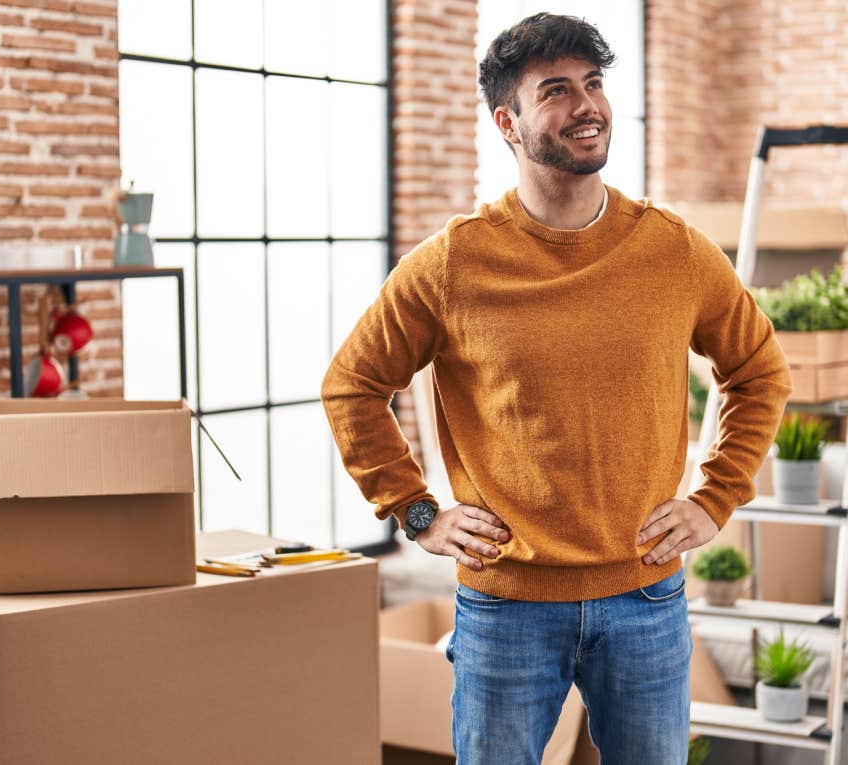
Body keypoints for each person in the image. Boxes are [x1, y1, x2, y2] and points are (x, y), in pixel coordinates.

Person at [322, 12, 791, 764]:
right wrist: (416, 512)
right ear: (509, 122)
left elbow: (759, 371)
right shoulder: (454, 263)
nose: (587, 106)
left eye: (595, 84)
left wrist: (715, 498)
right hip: (505, 606)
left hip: (645, 599)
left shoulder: (673, 250)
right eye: (558, 90)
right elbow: (352, 384)